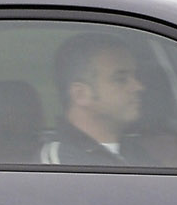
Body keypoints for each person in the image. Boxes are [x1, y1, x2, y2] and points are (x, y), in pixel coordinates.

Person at [44, 32, 165, 166]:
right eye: (121, 79)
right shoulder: (59, 164)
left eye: (135, 76)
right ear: (81, 94)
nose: (138, 87)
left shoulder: (136, 152)